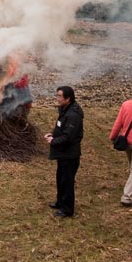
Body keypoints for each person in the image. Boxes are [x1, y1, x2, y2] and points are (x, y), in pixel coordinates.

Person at [44, 85, 84, 218]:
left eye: (59, 96)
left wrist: (53, 141)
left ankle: (67, 209)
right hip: (62, 153)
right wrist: (53, 135)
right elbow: (61, 128)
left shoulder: (73, 115)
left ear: (68, 98)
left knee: (67, 182)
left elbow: (68, 136)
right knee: (60, 178)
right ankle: (60, 202)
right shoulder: (64, 110)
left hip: (69, 154)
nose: (57, 98)